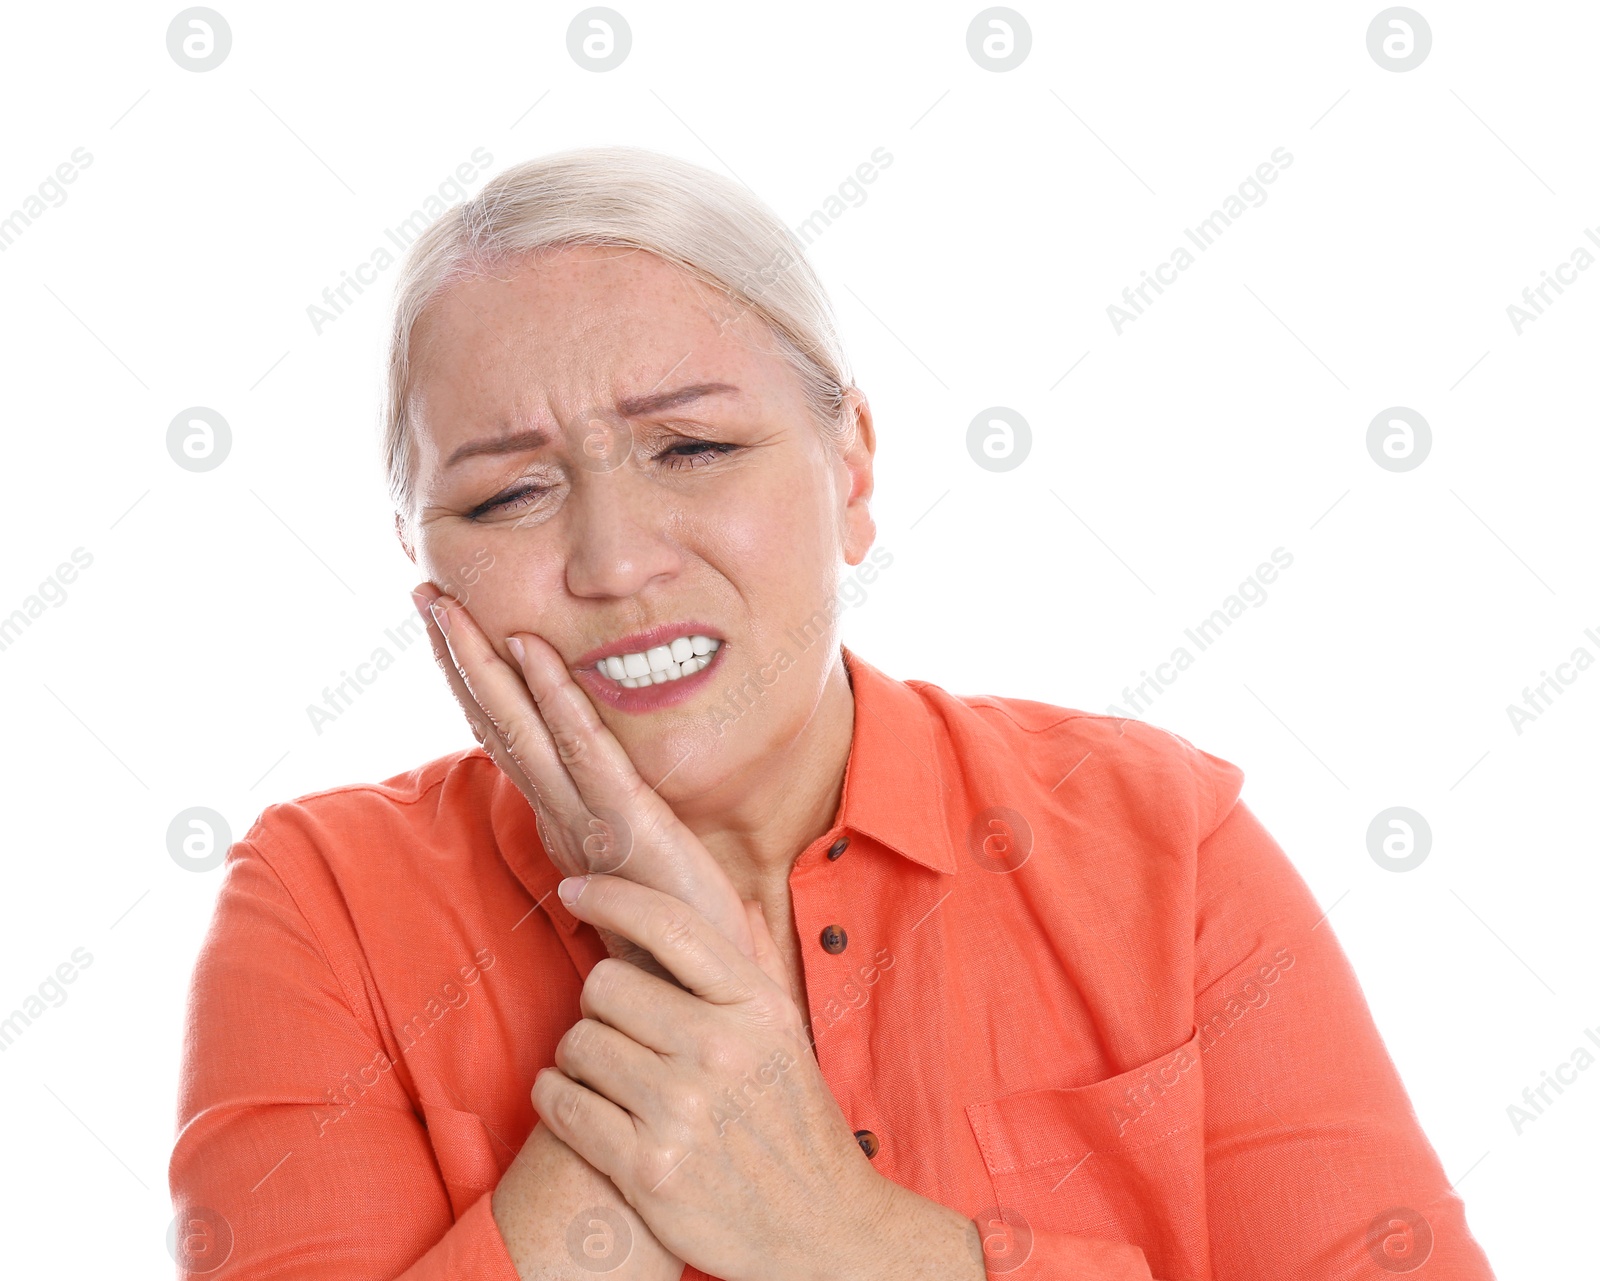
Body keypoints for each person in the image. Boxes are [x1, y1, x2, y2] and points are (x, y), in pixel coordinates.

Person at [169, 145, 1497, 1280]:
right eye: (507, 495)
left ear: (851, 468)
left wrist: (846, 1235)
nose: (615, 560)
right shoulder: (320, 900)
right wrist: (640, 1101)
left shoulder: (1165, 839)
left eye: (691, 447)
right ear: (423, 560)